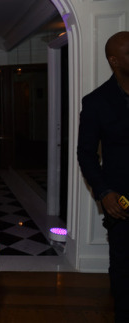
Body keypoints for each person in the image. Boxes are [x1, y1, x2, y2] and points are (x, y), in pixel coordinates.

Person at [77, 31, 129, 322]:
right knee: (122, 266)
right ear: (115, 61)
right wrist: (104, 191)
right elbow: (86, 153)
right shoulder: (97, 101)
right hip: (121, 199)